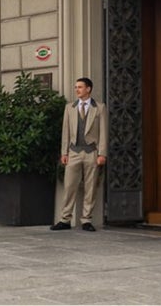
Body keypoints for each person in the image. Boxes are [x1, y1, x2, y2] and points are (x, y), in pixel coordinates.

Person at [51, 76, 108, 232]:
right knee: (69, 186)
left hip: (92, 152)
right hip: (73, 152)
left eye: (80, 87)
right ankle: (65, 219)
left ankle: (86, 220)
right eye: (76, 87)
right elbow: (66, 132)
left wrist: (102, 153)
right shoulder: (70, 107)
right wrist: (64, 152)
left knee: (90, 187)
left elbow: (103, 132)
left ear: (88, 89)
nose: (77, 90)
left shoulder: (100, 108)